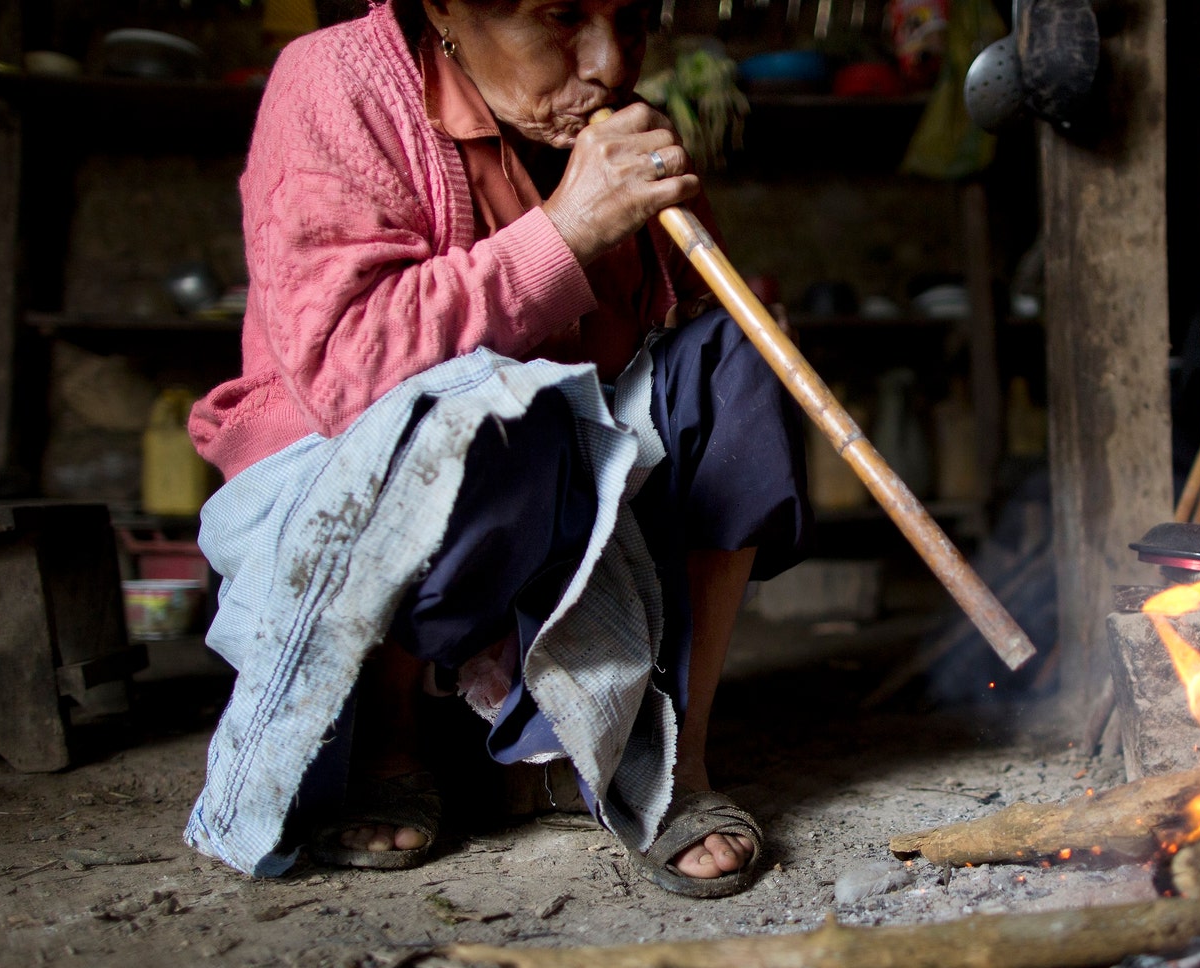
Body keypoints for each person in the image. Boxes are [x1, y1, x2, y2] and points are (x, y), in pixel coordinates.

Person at [182, 0, 808, 898]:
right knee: (505, 401)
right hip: (377, 487)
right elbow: (342, 368)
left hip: (591, 494)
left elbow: (688, 332)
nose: (607, 65)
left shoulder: (613, 120)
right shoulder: (336, 81)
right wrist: (569, 229)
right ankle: (391, 743)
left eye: (631, 21)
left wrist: (712, 291)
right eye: (558, 18)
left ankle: (677, 772)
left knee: (738, 363)